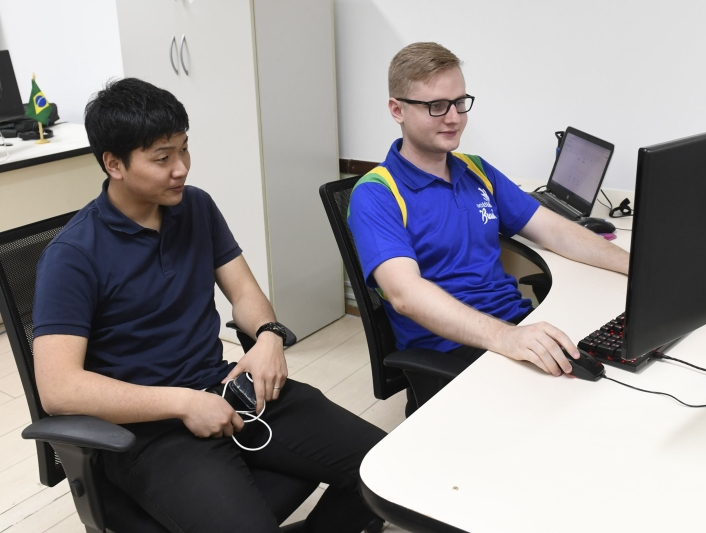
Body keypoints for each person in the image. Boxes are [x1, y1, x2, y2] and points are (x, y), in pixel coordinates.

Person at [32, 78, 385, 533]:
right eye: (162, 158)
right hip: (148, 432)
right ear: (113, 163)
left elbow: (244, 293)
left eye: (184, 149)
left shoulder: (195, 207)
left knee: (385, 474)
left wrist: (269, 336)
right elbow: (60, 390)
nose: (180, 168)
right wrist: (182, 403)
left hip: (229, 392)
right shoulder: (73, 256)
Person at [348, 42, 629, 379]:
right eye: (436, 106)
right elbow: (405, 294)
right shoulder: (376, 194)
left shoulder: (476, 170)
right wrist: (506, 337)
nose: (454, 118)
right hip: (452, 352)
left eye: (459, 103)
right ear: (397, 110)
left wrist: (638, 268)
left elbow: (554, 230)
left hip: (513, 325)